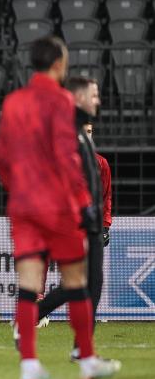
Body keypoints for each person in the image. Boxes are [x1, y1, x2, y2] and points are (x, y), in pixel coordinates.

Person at [0, 36, 120, 379]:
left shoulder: (13, 102)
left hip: (23, 205)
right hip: (59, 206)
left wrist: (18, 190)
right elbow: (68, 160)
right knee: (77, 281)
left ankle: (30, 365)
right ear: (58, 64)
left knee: (29, 283)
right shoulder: (63, 101)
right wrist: (83, 205)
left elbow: (2, 158)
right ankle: (87, 358)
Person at [35, 80, 112, 360]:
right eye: (93, 95)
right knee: (81, 283)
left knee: (91, 283)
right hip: (72, 225)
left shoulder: (99, 160)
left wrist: (105, 224)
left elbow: (103, 195)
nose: (98, 100)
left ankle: (82, 348)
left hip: (92, 225)